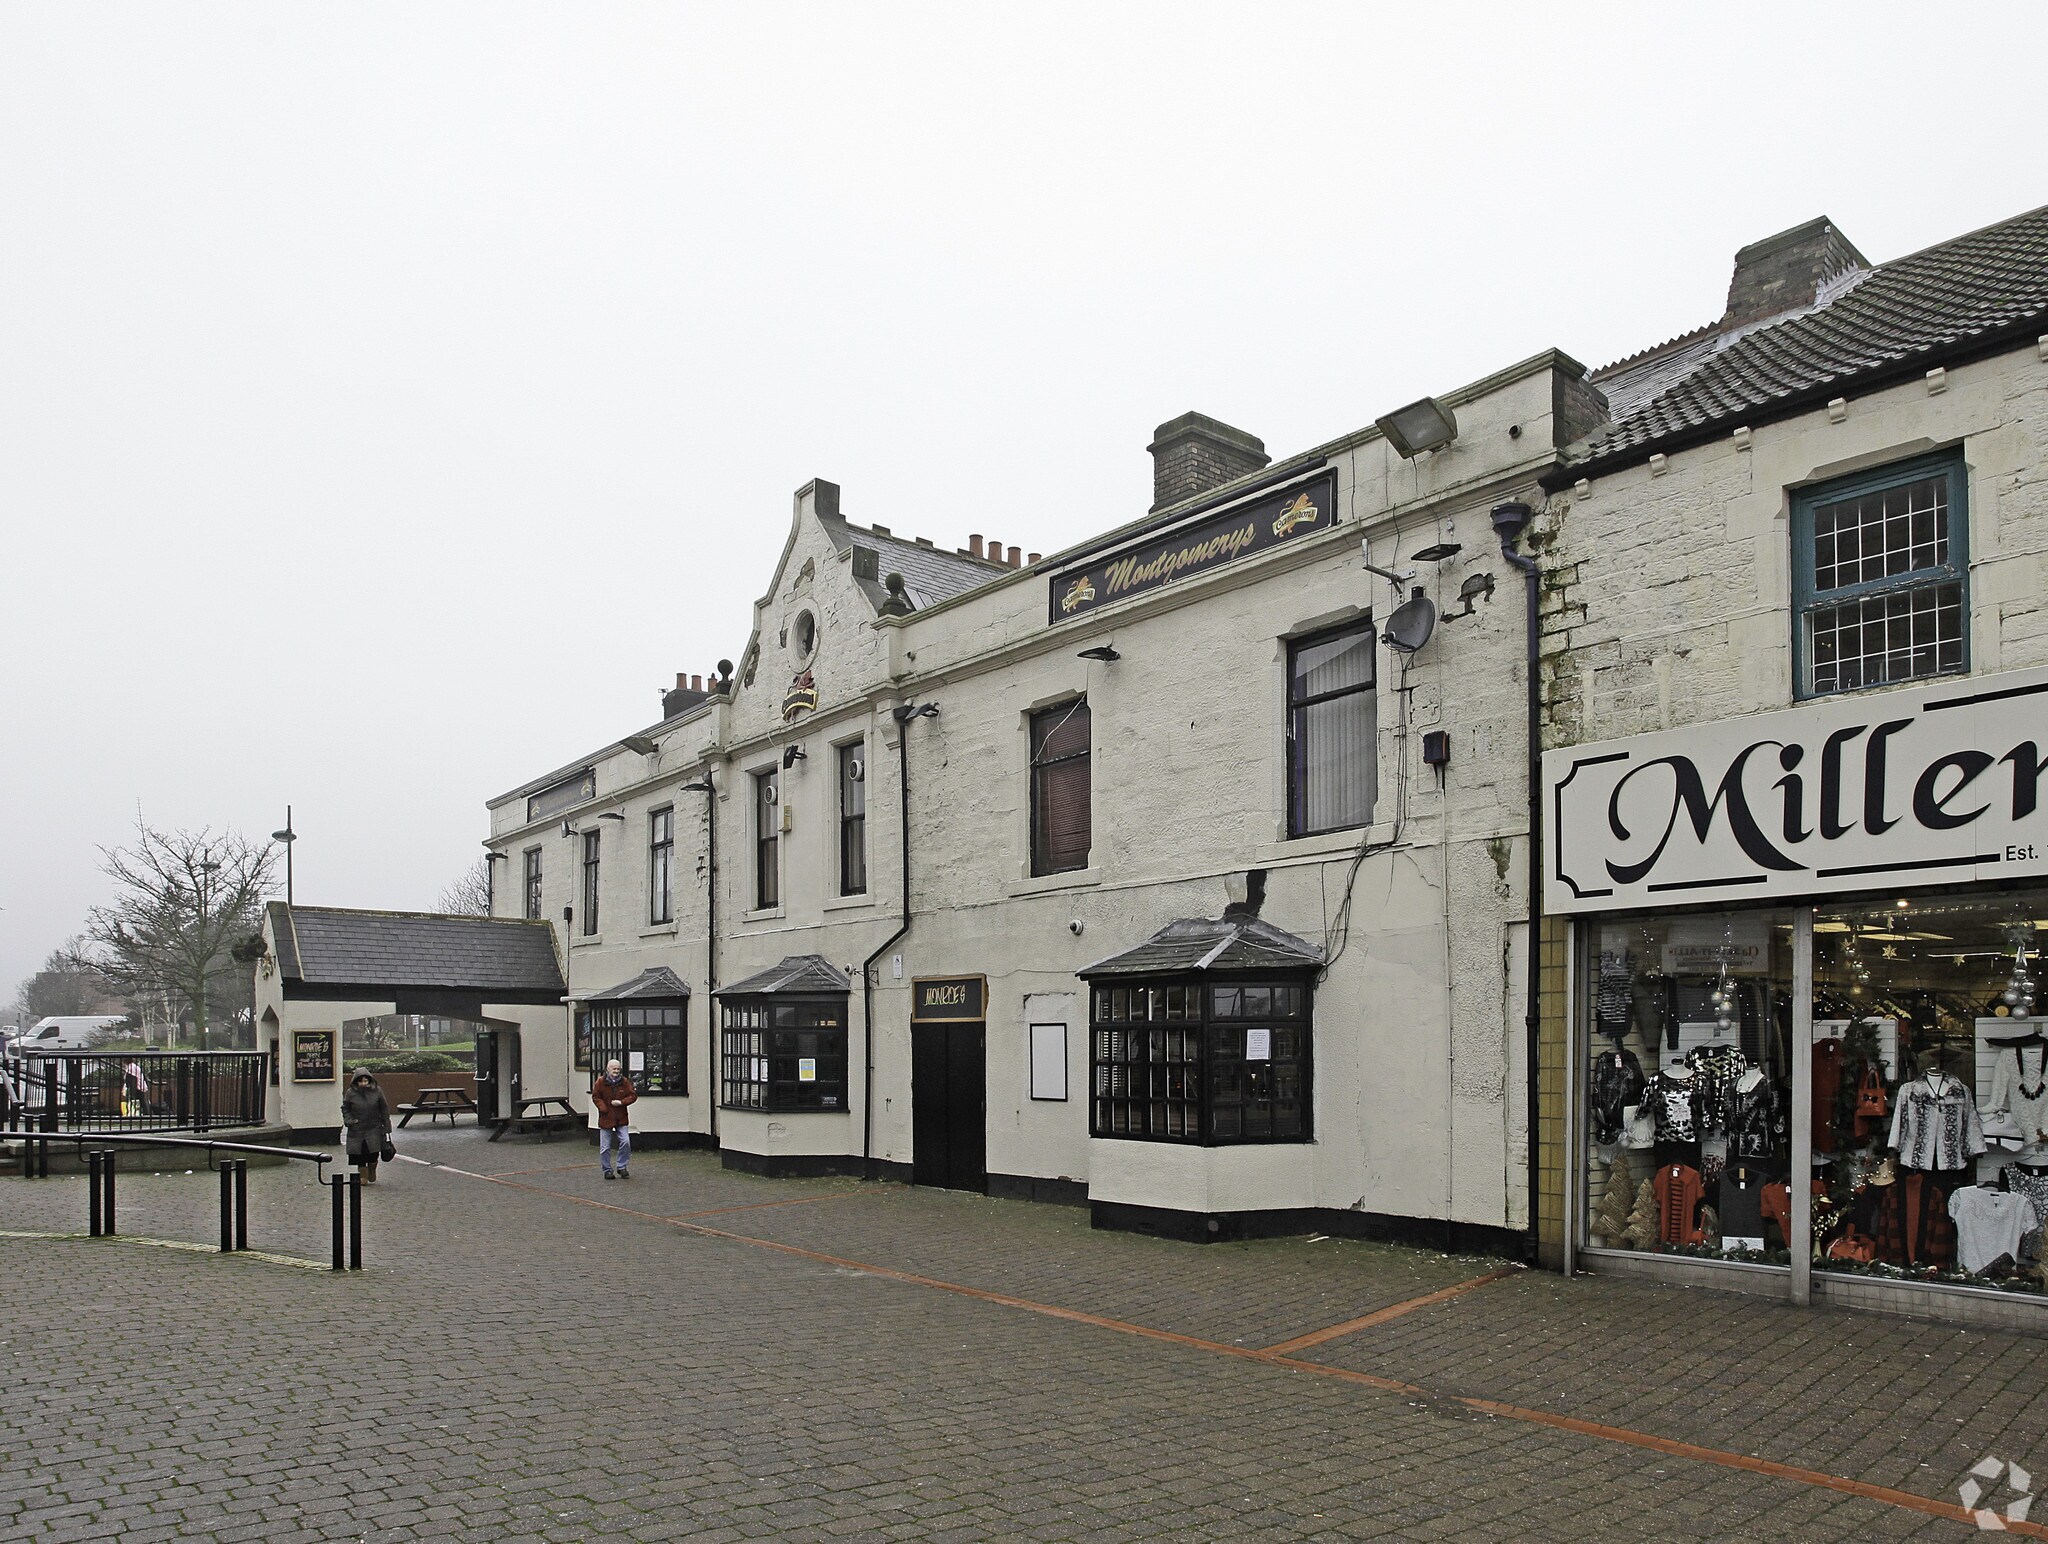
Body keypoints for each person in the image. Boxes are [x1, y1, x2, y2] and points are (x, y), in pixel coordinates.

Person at [342, 1070, 392, 1184]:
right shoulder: (351, 1093)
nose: (363, 1083)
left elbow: (384, 1108)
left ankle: (372, 1169)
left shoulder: (377, 1091)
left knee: (373, 1152)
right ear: (356, 1082)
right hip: (357, 1127)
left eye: (365, 1081)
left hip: (374, 1126)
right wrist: (349, 1120)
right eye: (361, 1081)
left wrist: (386, 1125)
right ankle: (362, 1175)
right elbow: (345, 1108)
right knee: (359, 1153)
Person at [592, 1058, 637, 1179]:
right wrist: (603, 1108)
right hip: (606, 1118)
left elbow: (632, 1095)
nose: (616, 1071)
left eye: (618, 1069)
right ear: (608, 1069)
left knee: (625, 1142)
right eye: (614, 1069)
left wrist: (621, 1102)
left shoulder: (624, 1082)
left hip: (621, 1117)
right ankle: (607, 1170)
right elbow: (596, 1097)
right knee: (605, 1147)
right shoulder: (600, 1082)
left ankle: (621, 1166)